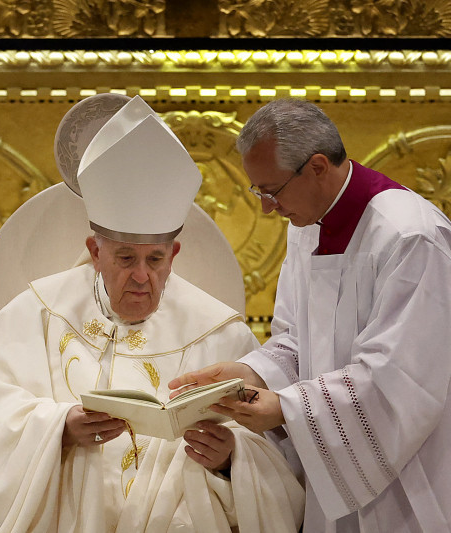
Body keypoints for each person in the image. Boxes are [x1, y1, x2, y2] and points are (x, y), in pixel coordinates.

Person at [0, 95, 304, 532]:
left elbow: (278, 458)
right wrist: (59, 428)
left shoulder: (221, 335)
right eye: (125, 259)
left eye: (155, 260)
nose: (142, 277)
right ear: (94, 252)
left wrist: (230, 459)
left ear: (174, 254)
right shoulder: (38, 314)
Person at [170, 98, 451, 532]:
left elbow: (398, 377)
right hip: (335, 479)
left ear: (317, 166)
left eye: (272, 190)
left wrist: (286, 407)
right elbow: (295, 340)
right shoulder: (306, 227)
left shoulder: (410, 236)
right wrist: (249, 373)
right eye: (258, 191)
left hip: (408, 476)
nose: (266, 207)